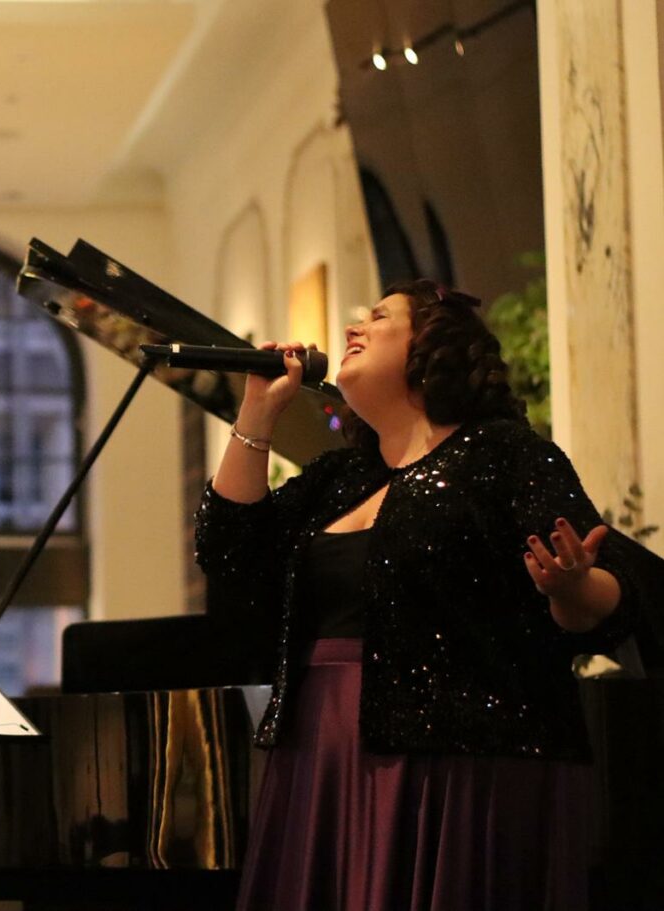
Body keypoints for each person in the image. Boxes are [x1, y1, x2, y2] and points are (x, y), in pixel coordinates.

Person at [196, 280, 638, 911]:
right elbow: (229, 551)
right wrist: (257, 415)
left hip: (460, 760)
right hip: (322, 751)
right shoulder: (341, 478)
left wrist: (570, 586)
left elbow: (607, 601)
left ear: (431, 348)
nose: (354, 327)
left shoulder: (504, 454)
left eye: (377, 317)